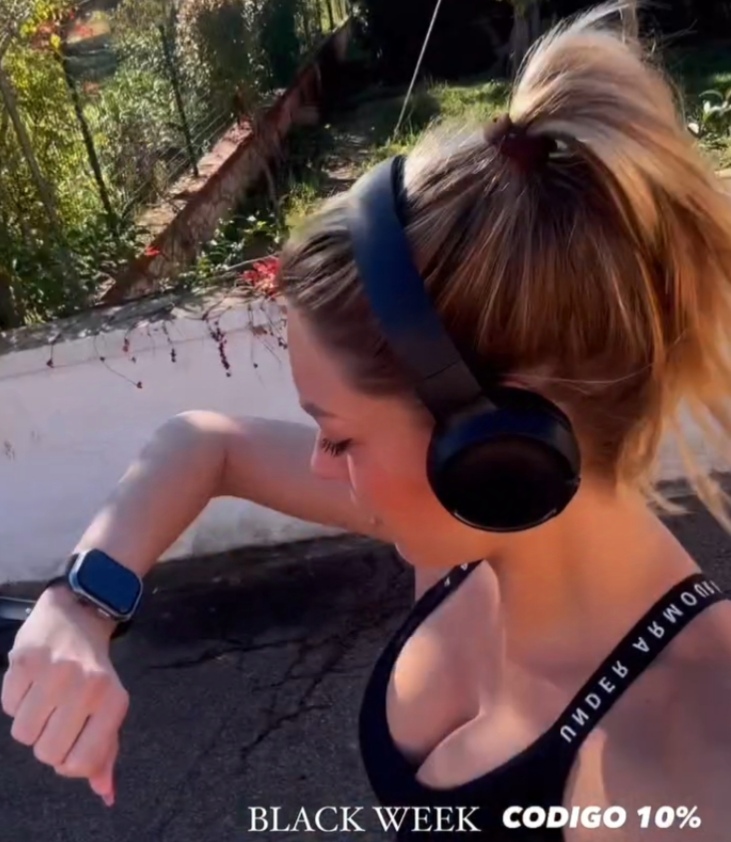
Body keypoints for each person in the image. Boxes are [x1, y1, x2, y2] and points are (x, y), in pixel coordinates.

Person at [4, 3, 731, 838]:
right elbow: (203, 445)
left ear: (492, 443)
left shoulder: (679, 766)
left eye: (341, 436)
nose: (321, 465)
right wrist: (80, 606)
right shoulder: (473, 539)